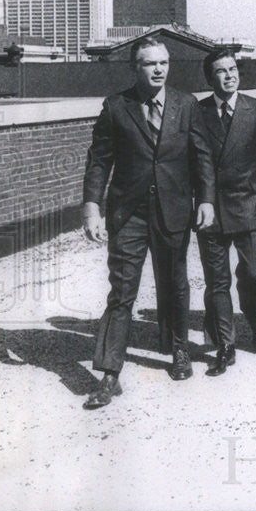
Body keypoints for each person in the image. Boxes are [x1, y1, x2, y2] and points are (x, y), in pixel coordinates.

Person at [82, 39, 215, 408]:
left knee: (174, 283)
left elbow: (202, 157)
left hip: (173, 210)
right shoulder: (115, 107)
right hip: (129, 213)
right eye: (149, 64)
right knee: (122, 290)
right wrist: (92, 208)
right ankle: (110, 372)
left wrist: (205, 199)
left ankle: (179, 349)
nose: (158, 70)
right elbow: (99, 161)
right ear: (134, 68)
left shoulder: (186, 105)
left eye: (164, 63)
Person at [195, 50, 256, 376]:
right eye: (220, 71)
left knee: (254, 274)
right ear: (209, 78)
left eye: (232, 69)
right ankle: (226, 344)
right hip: (211, 209)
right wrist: (204, 199)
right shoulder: (197, 112)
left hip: (247, 205)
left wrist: (251, 187)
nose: (229, 76)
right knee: (217, 281)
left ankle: (254, 317)